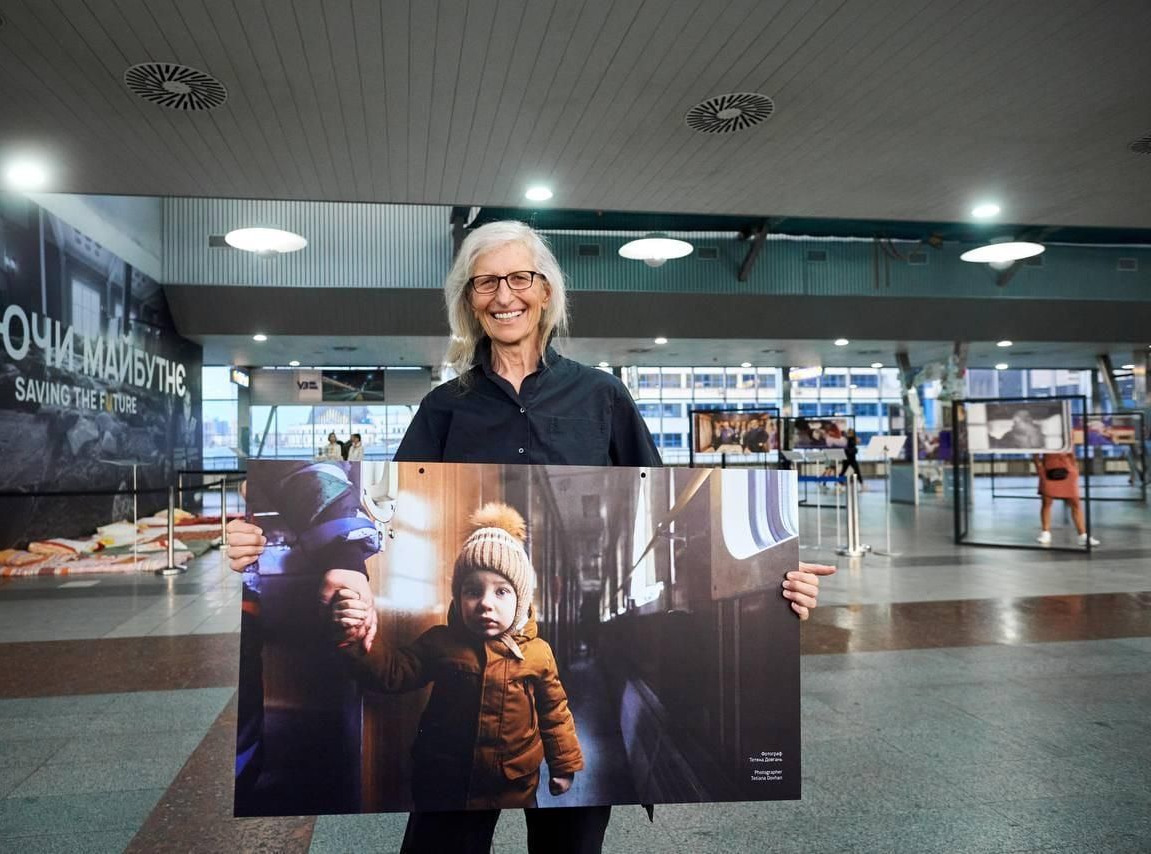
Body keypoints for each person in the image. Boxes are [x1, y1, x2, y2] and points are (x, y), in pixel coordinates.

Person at [226, 219, 835, 854]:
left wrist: (776, 580)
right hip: (450, 769)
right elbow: (392, 509)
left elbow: (677, 512)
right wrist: (261, 547)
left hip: (534, 755)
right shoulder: (442, 408)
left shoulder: (603, 397)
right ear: (468, 301)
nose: (504, 295)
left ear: (546, 292)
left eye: (520, 278)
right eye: (485, 283)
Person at [332, 503, 583, 811]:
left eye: (501, 592)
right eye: (472, 591)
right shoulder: (441, 642)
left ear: (521, 600)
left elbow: (555, 712)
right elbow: (393, 672)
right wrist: (357, 635)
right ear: (458, 596)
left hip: (512, 785)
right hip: (444, 781)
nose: (485, 603)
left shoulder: (538, 653)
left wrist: (564, 765)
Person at [1034, 450, 1098, 546]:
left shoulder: (1068, 435)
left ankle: (1083, 536)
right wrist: (1039, 468)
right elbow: (1036, 452)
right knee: (1046, 503)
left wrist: (1074, 469)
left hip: (1068, 470)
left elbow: (1072, 453)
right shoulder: (1043, 436)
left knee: (1076, 504)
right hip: (1048, 470)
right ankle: (1045, 533)